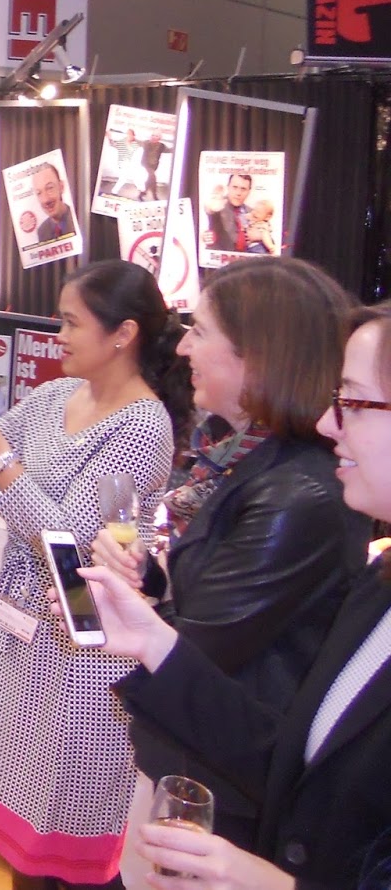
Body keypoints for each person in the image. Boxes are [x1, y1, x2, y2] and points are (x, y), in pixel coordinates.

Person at [0, 259, 193, 889]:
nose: (59, 336)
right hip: (25, 640)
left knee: (72, 846)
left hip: (85, 662)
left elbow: (70, 545)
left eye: (72, 323)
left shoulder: (142, 427)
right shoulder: (58, 396)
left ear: (123, 334)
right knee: (21, 843)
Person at [75, 301, 391, 888]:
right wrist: (152, 641)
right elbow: (295, 764)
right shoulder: (379, 590)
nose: (330, 424)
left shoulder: (298, 492)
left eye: (353, 402)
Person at [204, 172, 253, 251]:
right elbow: (210, 209)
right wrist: (213, 207)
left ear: (249, 191)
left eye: (243, 189)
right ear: (228, 187)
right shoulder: (218, 205)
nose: (238, 193)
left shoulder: (252, 212)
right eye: (235, 187)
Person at [33, 162, 76, 243]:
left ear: (61, 187)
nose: (45, 200)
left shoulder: (78, 219)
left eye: (50, 188)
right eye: (39, 193)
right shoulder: (42, 231)